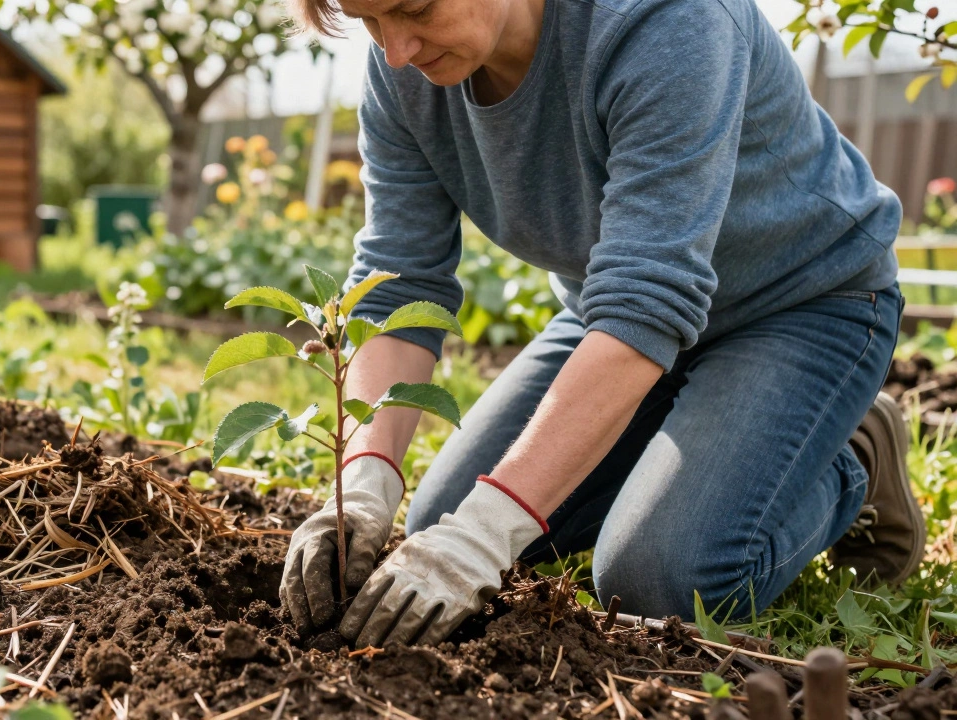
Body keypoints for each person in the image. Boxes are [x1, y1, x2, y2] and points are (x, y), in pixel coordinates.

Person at [279, 0, 926, 650]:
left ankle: (854, 457)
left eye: (416, 8)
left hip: (799, 302)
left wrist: (486, 533)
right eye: (368, 20)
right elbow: (400, 280)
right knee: (440, 518)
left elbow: (649, 296)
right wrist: (364, 479)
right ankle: (690, 446)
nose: (395, 51)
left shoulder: (668, 20)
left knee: (659, 578)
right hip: (615, 318)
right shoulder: (403, 75)